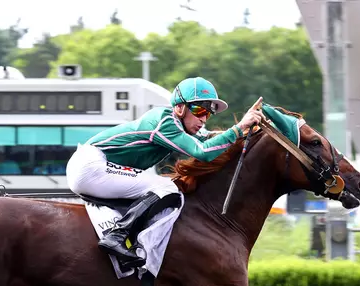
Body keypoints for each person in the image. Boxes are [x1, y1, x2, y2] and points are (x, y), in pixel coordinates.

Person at [66, 77, 264, 267]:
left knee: (163, 188)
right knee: (166, 187)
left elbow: (210, 140)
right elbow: (202, 152)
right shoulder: (164, 120)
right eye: (198, 109)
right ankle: (116, 236)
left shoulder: (180, 128)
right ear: (179, 107)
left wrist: (249, 132)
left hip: (96, 167)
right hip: (90, 165)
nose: (203, 118)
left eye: (208, 113)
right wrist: (239, 128)